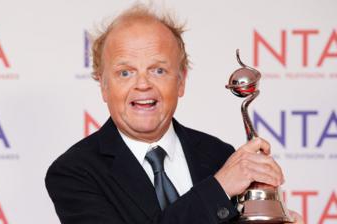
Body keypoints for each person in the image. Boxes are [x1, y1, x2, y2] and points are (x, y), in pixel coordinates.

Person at [45, 4, 303, 224]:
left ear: (180, 81)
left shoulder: (220, 156)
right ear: (103, 85)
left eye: (158, 70)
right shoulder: (74, 172)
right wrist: (217, 189)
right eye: (125, 72)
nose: (142, 84)